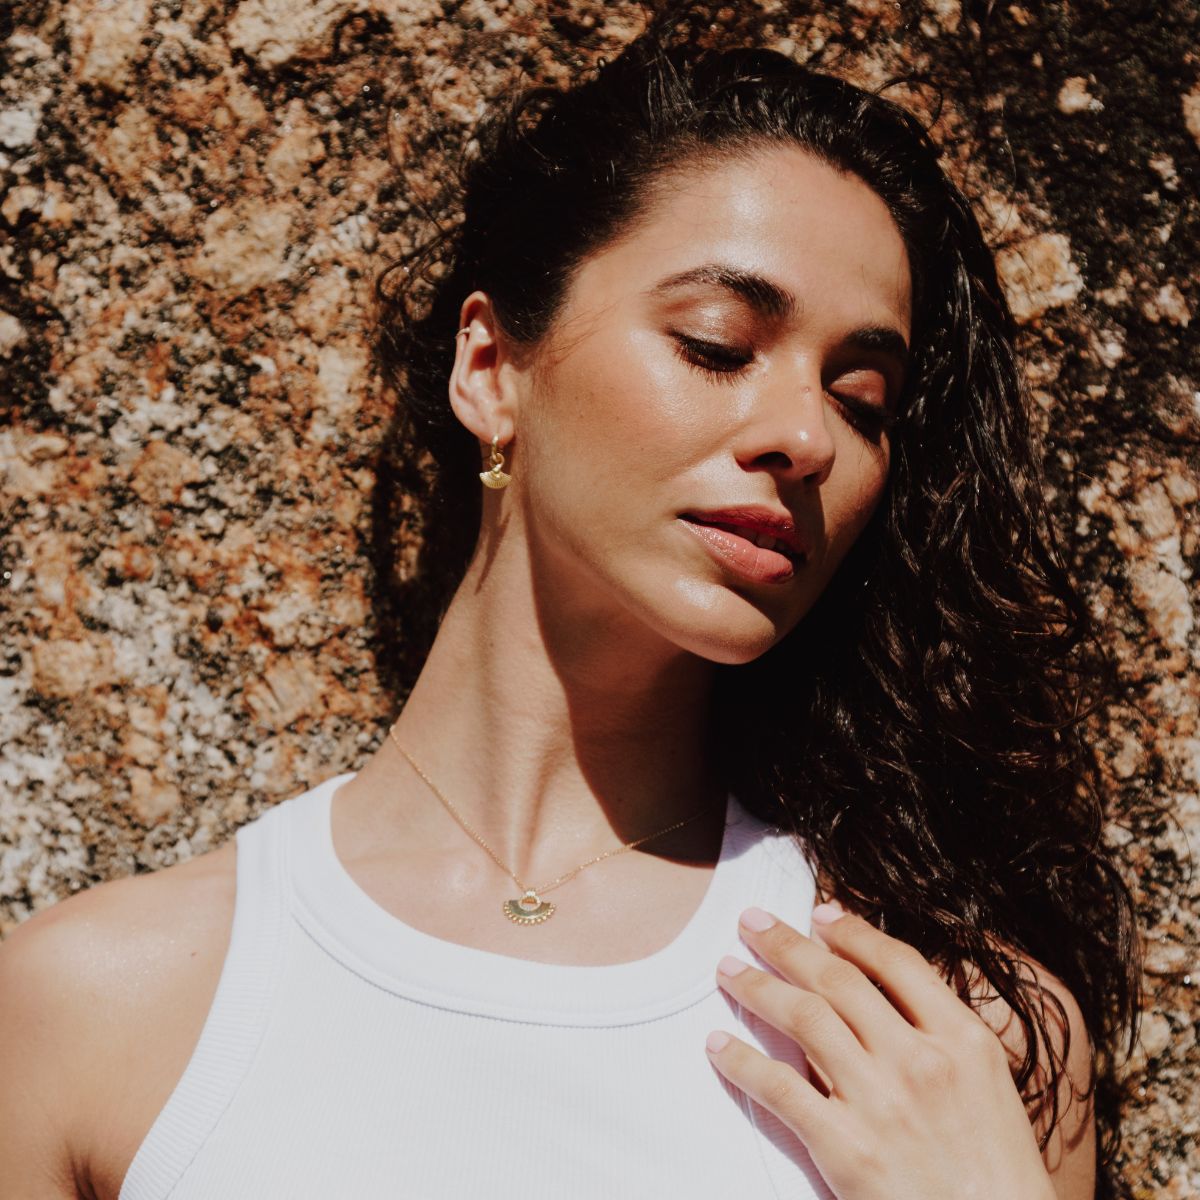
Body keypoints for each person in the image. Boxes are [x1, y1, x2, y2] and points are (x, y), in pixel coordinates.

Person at [0, 7, 1139, 1199]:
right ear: (491, 370)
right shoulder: (100, 1008)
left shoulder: (951, 1040)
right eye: (716, 343)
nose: (806, 435)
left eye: (860, 398)